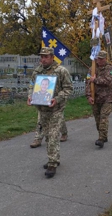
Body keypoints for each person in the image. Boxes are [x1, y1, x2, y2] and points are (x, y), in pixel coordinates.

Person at [27, 47, 73, 178]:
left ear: (52, 57)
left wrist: (57, 99)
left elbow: (69, 88)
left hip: (56, 109)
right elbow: (32, 85)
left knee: (53, 135)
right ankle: (54, 158)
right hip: (42, 109)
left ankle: (52, 163)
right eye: (41, 56)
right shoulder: (37, 71)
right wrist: (30, 96)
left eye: (46, 57)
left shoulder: (61, 71)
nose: (43, 59)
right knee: (47, 135)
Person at [85, 51, 112, 148]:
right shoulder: (92, 69)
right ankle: (103, 135)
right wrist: (89, 96)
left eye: (101, 59)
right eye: (98, 58)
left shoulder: (110, 68)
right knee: (97, 119)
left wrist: (95, 80)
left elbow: (108, 81)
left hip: (107, 98)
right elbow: (87, 83)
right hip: (95, 98)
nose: (99, 61)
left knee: (103, 118)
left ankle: (101, 139)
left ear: (106, 59)